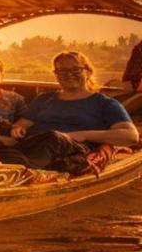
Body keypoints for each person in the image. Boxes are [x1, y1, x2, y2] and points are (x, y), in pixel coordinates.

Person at [10, 51, 138, 170]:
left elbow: (130, 136)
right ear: (56, 74)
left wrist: (83, 134)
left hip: (69, 148)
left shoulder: (104, 103)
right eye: (63, 70)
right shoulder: (43, 99)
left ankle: (22, 169)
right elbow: (22, 124)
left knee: (54, 137)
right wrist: (17, 128)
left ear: (88, 72)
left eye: (76, 69)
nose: (69, 74)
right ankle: (4, 160)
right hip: (33, 144)